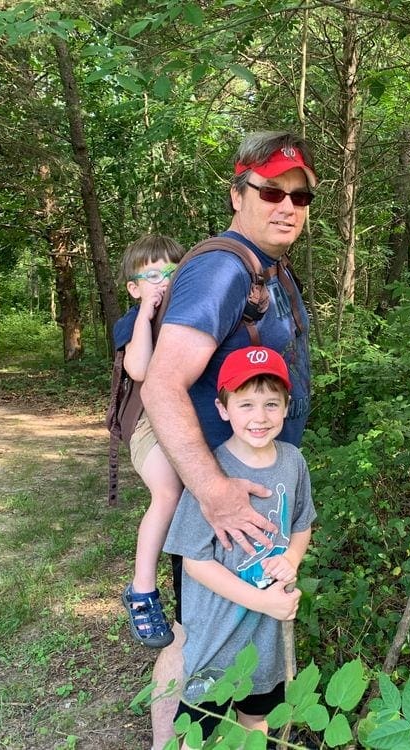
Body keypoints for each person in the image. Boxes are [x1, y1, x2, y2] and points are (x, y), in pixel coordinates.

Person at [140, 131, 316, 748]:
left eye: (299, 197)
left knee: (247, 628)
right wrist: (214, 492)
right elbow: (162, 385)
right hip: (221, 502)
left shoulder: (268, 268)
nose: (287, 206)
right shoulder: (222, 271)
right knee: (195, 638)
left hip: (257, 490)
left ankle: (254, 735)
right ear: (237, 193)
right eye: (271, 191)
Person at [162, 346, 314, 742]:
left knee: (256, 721)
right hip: (218, 636)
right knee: (195, 730)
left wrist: (292, 559)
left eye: (270, 403)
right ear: (223, 408)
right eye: (245, 404)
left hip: (266, 637)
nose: (259, 417)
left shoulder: (293, 461)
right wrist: (264, 601)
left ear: (286, 407)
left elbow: (301, 522)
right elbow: (194, 562)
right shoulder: (212, 473)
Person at [112, 234, 187, 649]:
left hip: (183, 420)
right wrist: (145, 315)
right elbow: (139, 368)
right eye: (152, 274)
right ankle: (142, 589)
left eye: (172, 272)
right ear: (134, 286)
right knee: (168, 492)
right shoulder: (131, 321)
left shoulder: (189, 315)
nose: (163, 281)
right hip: (148, 425)